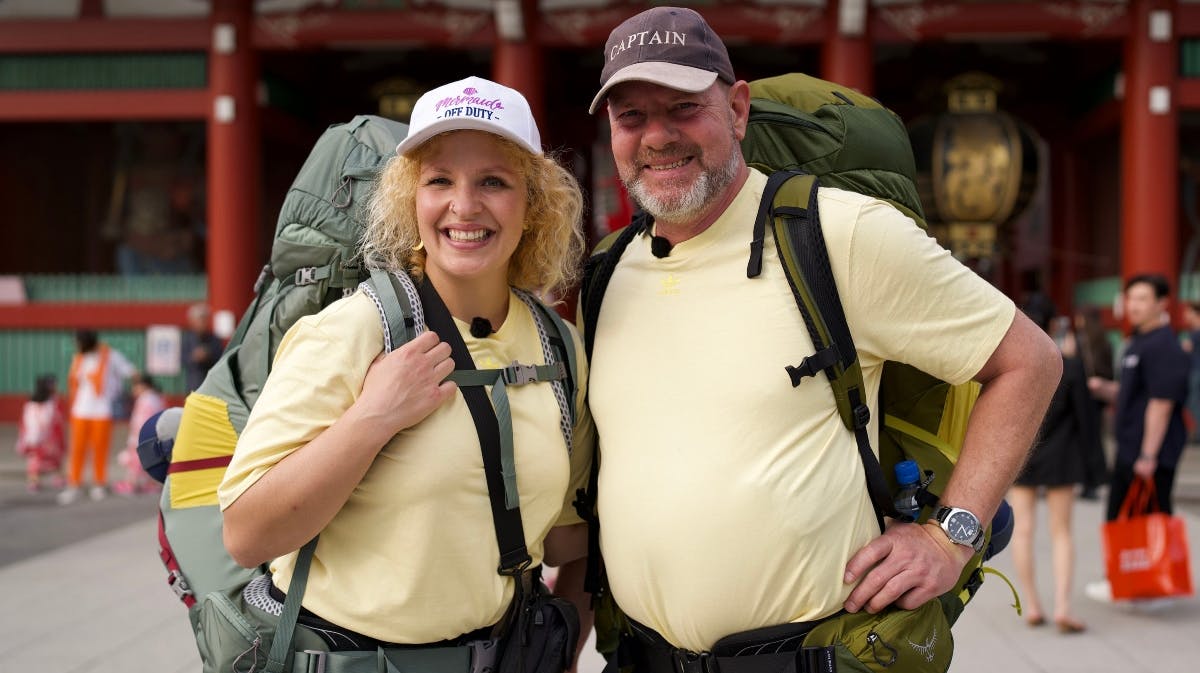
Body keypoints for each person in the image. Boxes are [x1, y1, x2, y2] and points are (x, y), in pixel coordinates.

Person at [582, 5, 1061, 667]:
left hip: (811, 654)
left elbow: (1028, 360)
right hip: (639, 655)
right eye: (631, 115)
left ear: (738, 109)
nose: (657, 136)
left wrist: (952, 535)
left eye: (684, 107)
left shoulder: (838, 233)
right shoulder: (607, 272)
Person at [218, 76, 595, 662]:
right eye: (439, 180)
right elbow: (246, 536)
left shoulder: (557, 348)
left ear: (534, 204)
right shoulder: (354, 330)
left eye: (493, 182)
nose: (463, 206)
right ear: (409, 200)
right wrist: (372, 417)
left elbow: (571, 537)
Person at [1086, 274, 1190, 601]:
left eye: (1143, 299)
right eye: (1130, 298)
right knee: (1128, 516)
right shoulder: (1138, 342)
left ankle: (1138, 582)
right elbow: (1140, 394)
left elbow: (1161, 404)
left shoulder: (1163, 345)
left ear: (1162, 303)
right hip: (1132, 449)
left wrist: (1147, 456)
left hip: (1147, 454)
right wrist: (1108, 390)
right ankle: (1137, 581)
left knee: (1139, 517)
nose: (1134, 305)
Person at [1008, 313, 1094, 634]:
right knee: (1062, 531)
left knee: (1024, 530)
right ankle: (1062, 606)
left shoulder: (1013, 365)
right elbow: (1086, 417)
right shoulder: (1068, 365)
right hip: (1062, 455)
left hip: (1022, 453)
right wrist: (1095, 465)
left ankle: (1032, 605)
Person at [58, 329, 136, 505]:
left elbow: (130, 371)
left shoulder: (111, 356)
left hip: (102, 410)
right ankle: (74, 484)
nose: (76, 346)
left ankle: (99, 484)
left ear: (86, 342)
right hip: (80, 410)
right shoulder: (79, 358)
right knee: (77, 450)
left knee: (99, 449)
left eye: (78, 342)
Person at [1072, 305, 1115, 499]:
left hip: (1084, 395)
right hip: (1098, 396)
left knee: (1087, 438)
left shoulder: (1081, 341)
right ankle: (1095, 479)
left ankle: (1090, 480)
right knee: (1096, 438)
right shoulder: (1104, 341)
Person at [114, 372, 165, 495]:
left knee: (138, 462)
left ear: (143, 386)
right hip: (154, 436)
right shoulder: (156, 398)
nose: (133, 389)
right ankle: (148, 484)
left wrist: (135, 438)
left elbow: (141, 421)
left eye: (135, 386)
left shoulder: (145, 399)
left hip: (142, 437)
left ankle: (134, 484)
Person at [14, 374, 66, 493]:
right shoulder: (52, 403)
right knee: (52, 458)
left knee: (35, 460)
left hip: (33, 437)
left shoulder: (30, 403)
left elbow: (23, 422)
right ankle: (55, 478)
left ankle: (34, 481)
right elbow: (56, 421)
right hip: (46, 437)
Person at [181, 302, 223, 392]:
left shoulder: (214, 339)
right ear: (192, 321)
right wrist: (194, 357)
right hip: (193, 385)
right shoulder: (187, 339)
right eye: (200, 319)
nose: (203, 323)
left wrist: (208, 356)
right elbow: (182, 359)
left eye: (204, 319)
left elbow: (221, 360)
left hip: (211, 385)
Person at [1182, 301, 1200, 442]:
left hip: (1196, 372)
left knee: (1193, 402)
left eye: (1188, 312)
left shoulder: (1196, 332)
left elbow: (1184, 350)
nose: (1185, 315)